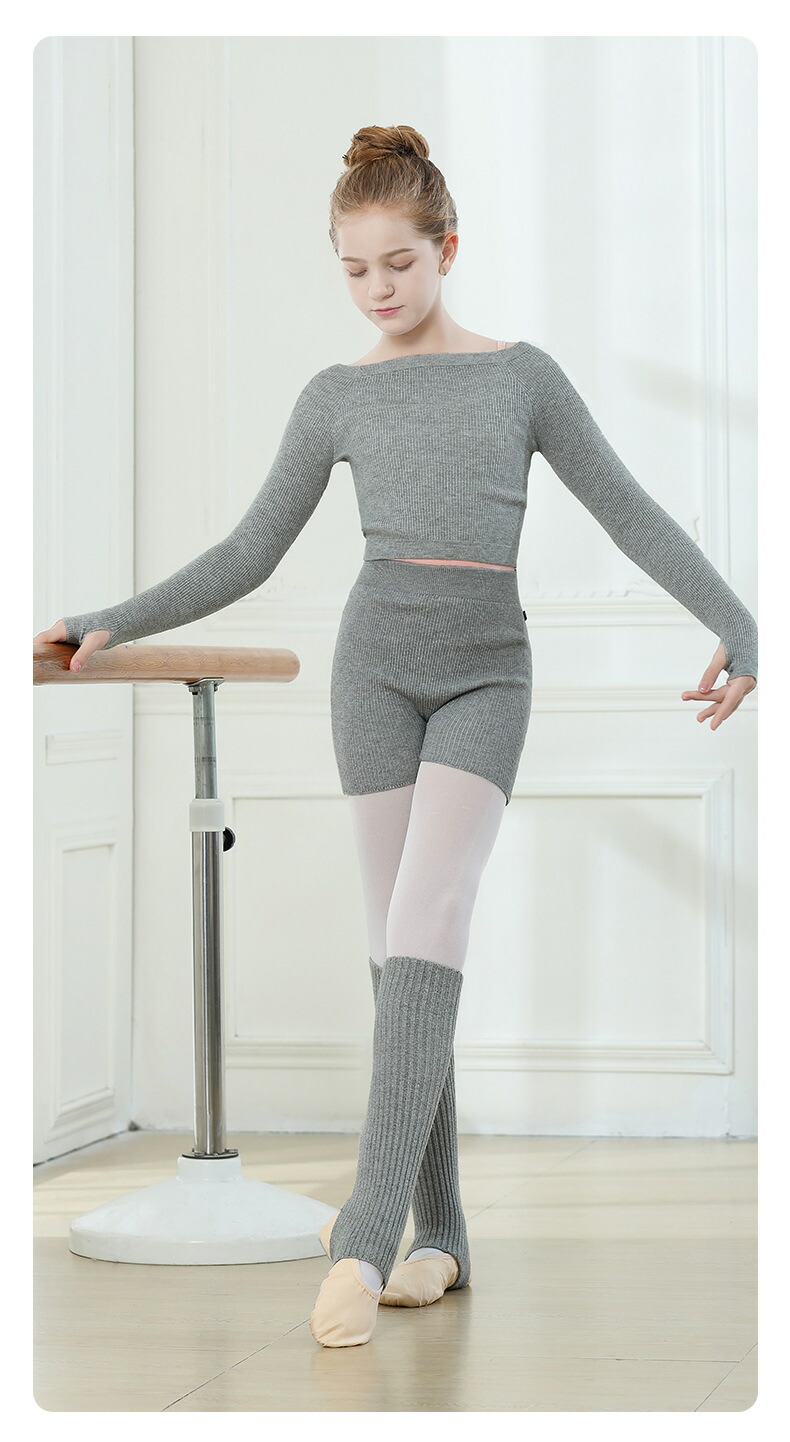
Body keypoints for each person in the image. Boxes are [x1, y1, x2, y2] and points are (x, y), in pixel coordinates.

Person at [34, 123, 758, 1350]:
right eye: (354, 269)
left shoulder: (522, 378)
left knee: (430, 914)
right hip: (372, 671)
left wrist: (738, 624)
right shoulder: (337, 395)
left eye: (399, 263)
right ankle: (443, 1233)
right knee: (397, 948)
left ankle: (365, 1236)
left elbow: (629, 510)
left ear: (448, 249)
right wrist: (111, 618)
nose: (377, 287)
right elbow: (248, 550)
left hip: (486, 672)